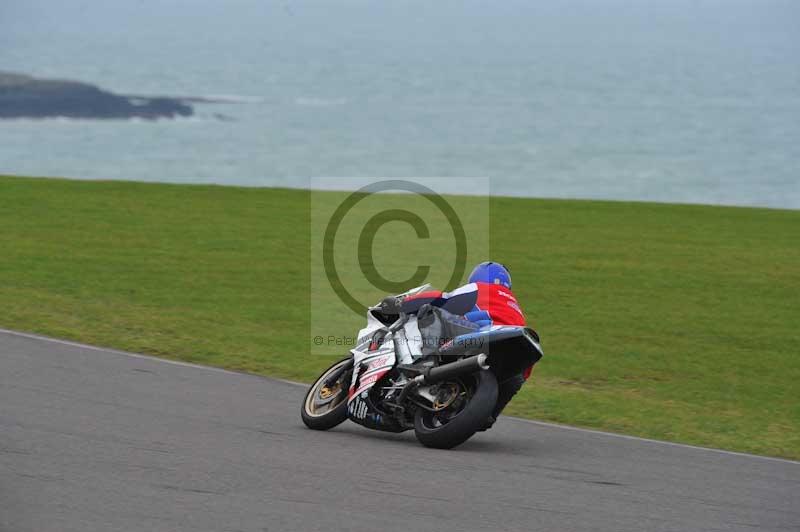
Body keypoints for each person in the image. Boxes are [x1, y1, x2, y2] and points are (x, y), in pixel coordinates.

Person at [400, 261, 534, 427]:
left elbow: (440, 298)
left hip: (480, 335)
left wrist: (403, 303)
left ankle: (426, 360)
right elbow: (524, 371)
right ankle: (490, 415)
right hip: (511, 350)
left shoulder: (479, 288)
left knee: (429, 310)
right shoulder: (516, 307)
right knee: (516, 379)